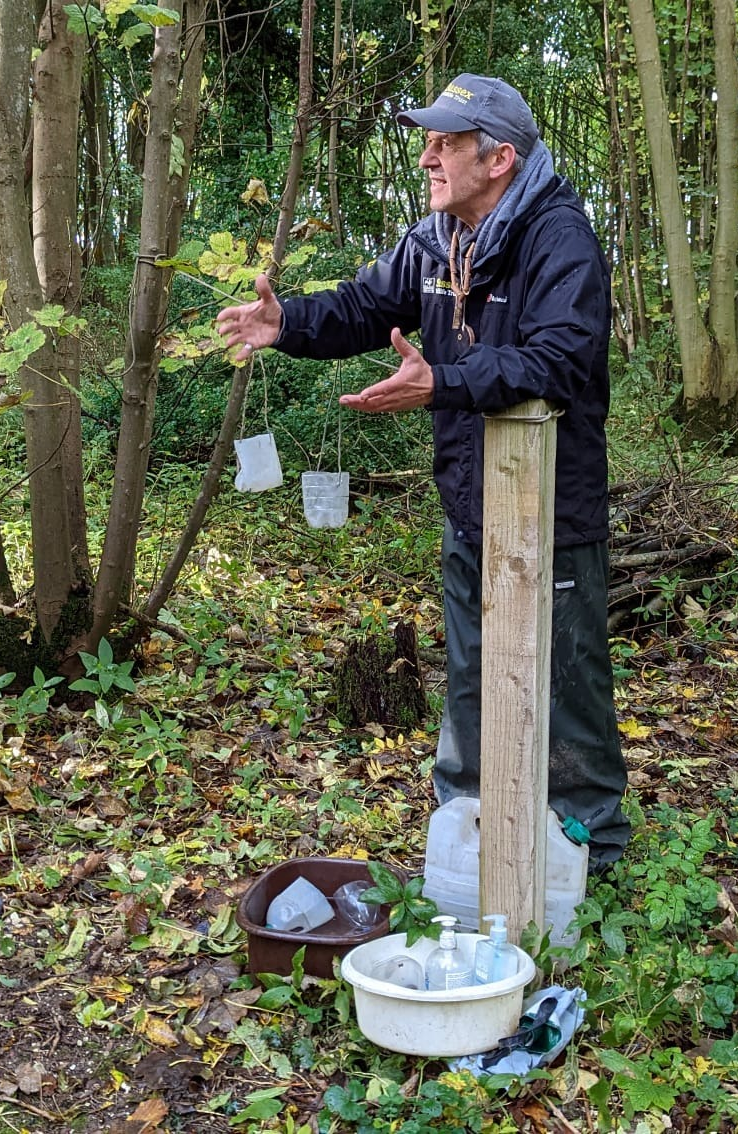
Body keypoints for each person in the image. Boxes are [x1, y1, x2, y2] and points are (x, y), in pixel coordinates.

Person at [215, 74, 627, 869]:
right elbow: (367, 306)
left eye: (446, 143)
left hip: (553, 511)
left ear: (500, 158)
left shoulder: (558, 238)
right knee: (471, 682)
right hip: (469, 507)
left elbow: (559, 361)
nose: (428, 157)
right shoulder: (437, 239)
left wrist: (443, 381)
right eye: (427, 142)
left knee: (567, 691)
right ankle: (465, 844)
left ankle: (589, 853)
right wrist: (286, 321)